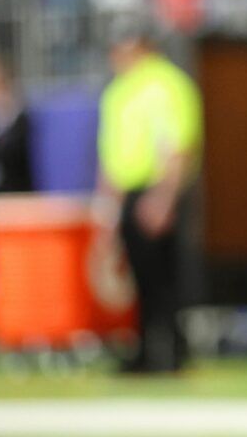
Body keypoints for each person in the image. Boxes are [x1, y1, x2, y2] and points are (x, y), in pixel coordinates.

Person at [96, 20, 202, 374]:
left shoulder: (165, 84)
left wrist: (163, 198)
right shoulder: (120, 90)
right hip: (129, 191)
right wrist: (108, 205)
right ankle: (143, 350)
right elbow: (110, 153)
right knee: (140, 278)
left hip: (156, 190)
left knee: (164, 278)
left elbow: (176, 146)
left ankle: (170, 351)